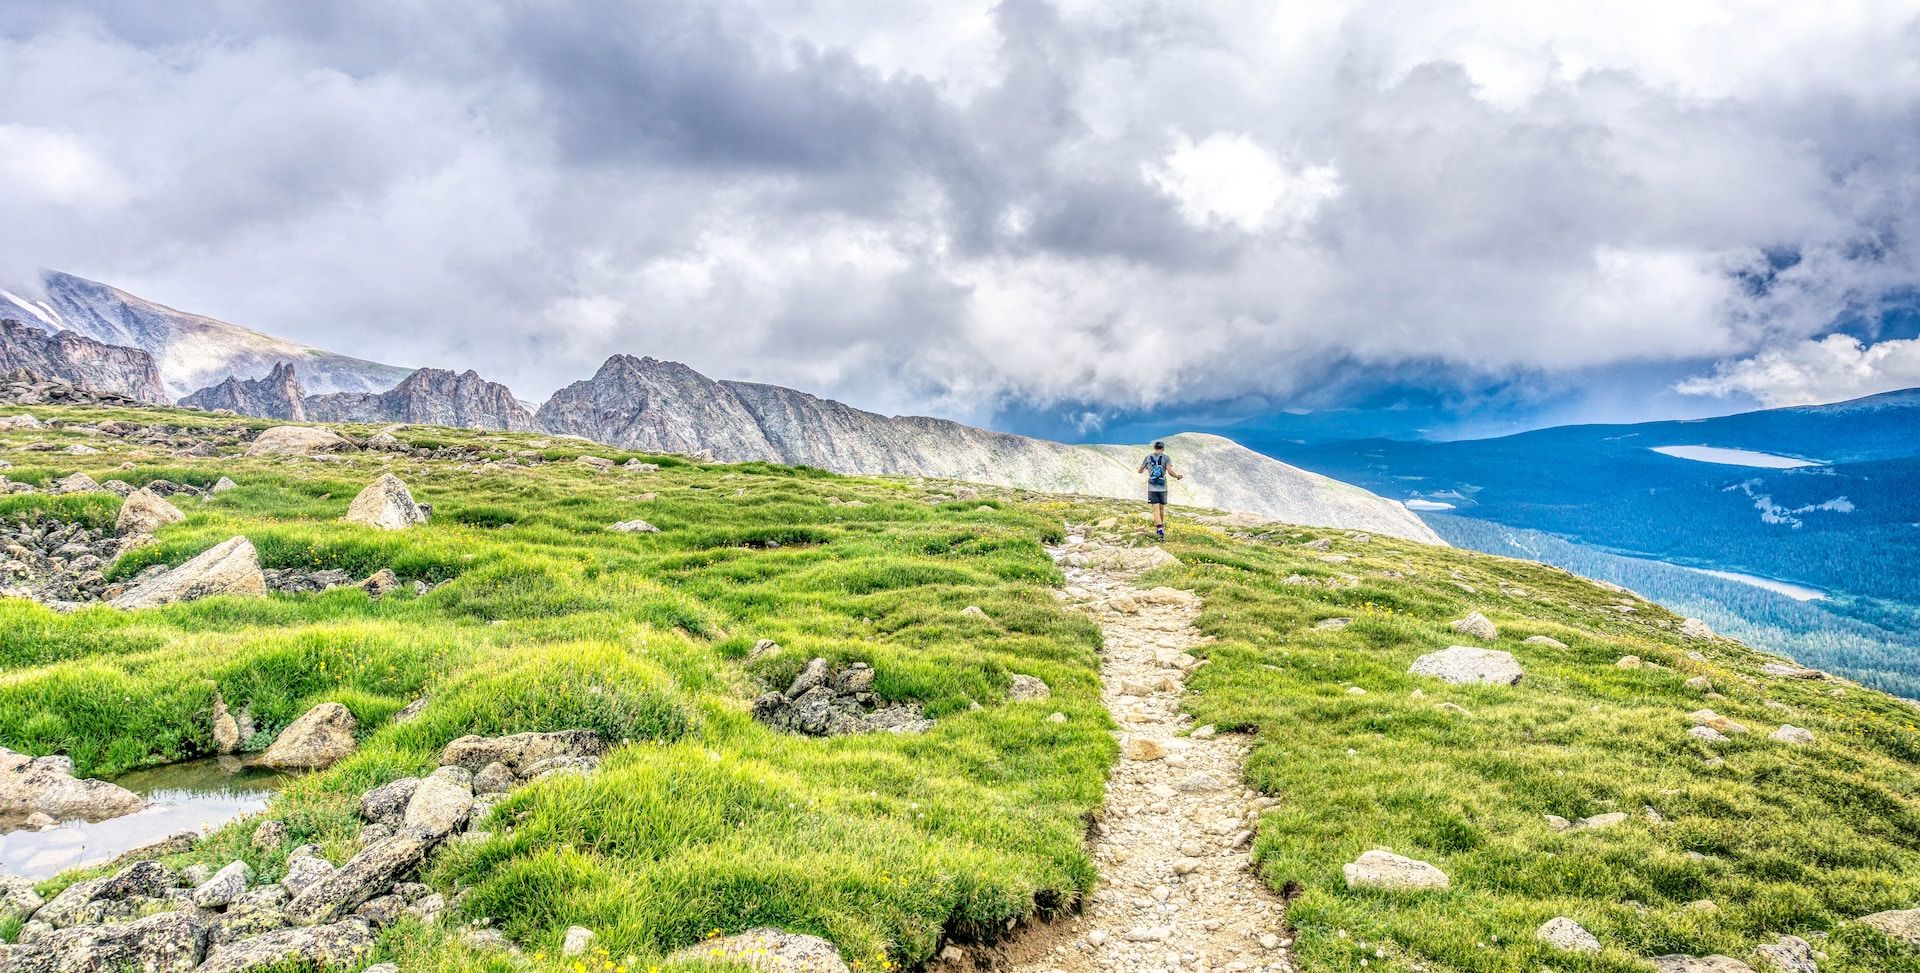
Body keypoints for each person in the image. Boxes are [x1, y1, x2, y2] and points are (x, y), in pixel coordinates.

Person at [1138, 441, 1184, 540]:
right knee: (1161, 509)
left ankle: (1160, 530)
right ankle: (1160, 530)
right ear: (1163, 449)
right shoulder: (1166, 458)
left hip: (1152, 486)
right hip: (1163, 486)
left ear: (1154, 447)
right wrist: (1177, 476)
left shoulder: (1147, 458)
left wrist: (1146, 468)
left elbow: (1140, 470)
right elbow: (1170, 471)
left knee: (1155, 510)